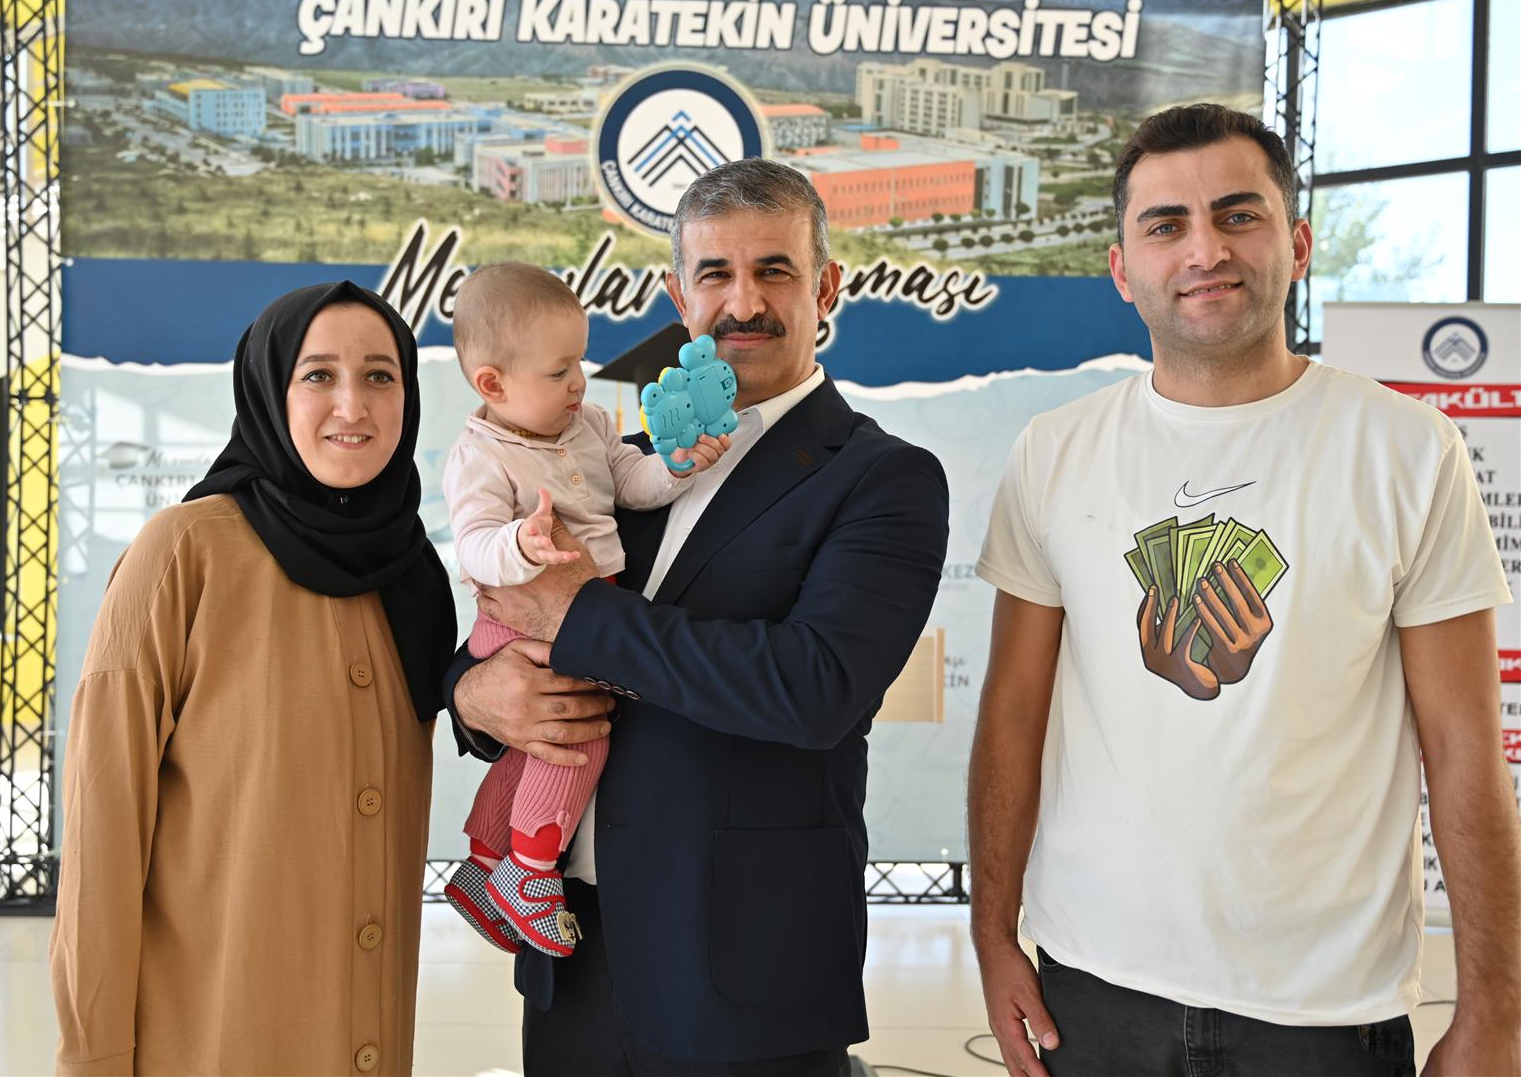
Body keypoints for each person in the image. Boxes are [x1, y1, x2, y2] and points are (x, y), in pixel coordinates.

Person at [969, 103, 1520, 1077]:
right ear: (1122, 269)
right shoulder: (1055, 452)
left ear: (1297, 243)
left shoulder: (1407, 449)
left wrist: (1498, 1013)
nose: (1205, 251)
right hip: (1094, 983)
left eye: (1238, 215)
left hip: (1328, 1003)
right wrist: (991, 936)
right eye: (1166, 225)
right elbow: (1012, 714)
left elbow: (1465, 747)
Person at [440, 157, 949, 1076]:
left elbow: (814, 690)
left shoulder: (882, 478)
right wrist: (476, 697)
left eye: (774, 270)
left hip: (745, 974)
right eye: (716, 273)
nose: (742, 301)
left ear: (826, 287)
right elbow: (497, 631)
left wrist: (581, 617)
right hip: (573, 957)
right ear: (680, 296)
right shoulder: (615, 464)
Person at [49, 281, 454, 1075]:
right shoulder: (184, 553)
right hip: (208, 1041)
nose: (353, 405)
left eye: (380, 376)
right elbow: (103, 836)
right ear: (269, 390)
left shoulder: (410, 575)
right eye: (318, 374)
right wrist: (92, 1059)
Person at [439, 262, 727, 958]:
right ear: (492, 385)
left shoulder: (589, 424)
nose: (579, 382)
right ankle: (532, 872)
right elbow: (472, 545)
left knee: (534, 741)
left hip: (586, 608)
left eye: (580, 363)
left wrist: (677, 467)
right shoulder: (479, 457)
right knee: (576, 734)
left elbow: (632, 484)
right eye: (559, 371)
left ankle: (486, 859)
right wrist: (520, 544)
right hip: (520, 618)